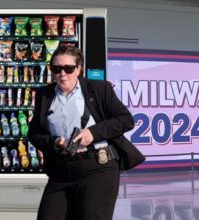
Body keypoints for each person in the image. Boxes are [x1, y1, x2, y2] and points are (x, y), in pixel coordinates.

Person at [28, 46, 144, 220]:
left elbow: (126, 120)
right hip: (61, 170)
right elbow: (34, 134)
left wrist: (93, 133)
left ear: (79, 68)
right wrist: (55, 142)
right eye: (56, 69)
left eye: (68, 68)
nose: (62, 74)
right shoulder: (44, 95)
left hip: (97, 168)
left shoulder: (99, 89)